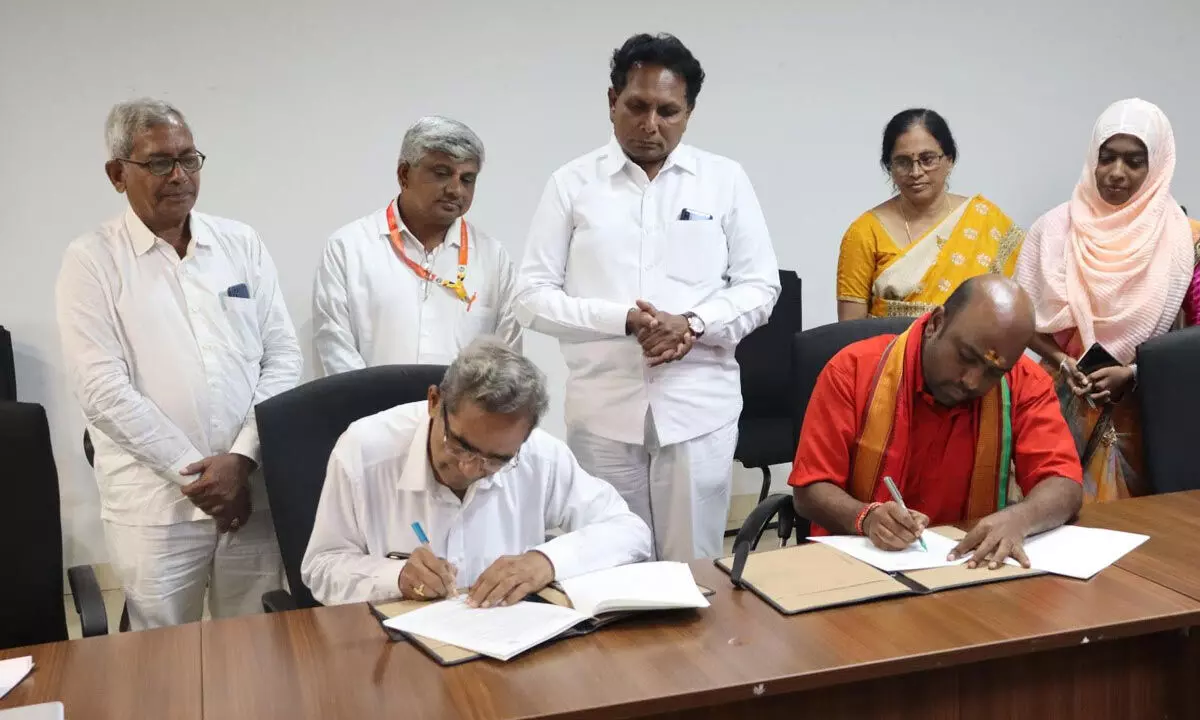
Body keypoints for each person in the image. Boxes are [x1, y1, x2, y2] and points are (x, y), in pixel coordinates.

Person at [515, 33, 780, 562]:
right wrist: (623, 321)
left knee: (696, 566)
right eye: (636, 106)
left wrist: (695, 323)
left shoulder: (724, 180)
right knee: (611, 565)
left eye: (668, 110)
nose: (650, 123)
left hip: (699, 408)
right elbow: (531, 297)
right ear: (612, 102)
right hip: (603, 414)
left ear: (689, 113)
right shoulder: (571, 184)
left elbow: (760, 286)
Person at [56, 98, 302, 629]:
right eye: (159, 163)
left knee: (255, 646)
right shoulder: (91, 260)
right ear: (117, 174)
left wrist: (241, 460)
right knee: (163, 662)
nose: (179, 176)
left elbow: (283, 356)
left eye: (189, 159)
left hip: (251, 493)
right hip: (156, 507)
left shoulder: (240, 243)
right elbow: (101, 389)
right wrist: (201, 477)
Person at [302, 338, 652, 607]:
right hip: (393, 651)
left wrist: (546, 561)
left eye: (495, 460)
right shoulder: (365, 451)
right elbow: (321, 567)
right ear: (434, 402)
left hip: (504, 647)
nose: (470, 468)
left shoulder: (538, 455)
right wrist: (395, 577)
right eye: (460, 446)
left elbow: (630, 531)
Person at [791, 276, 1083, 568]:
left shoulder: (1024, 382)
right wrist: (866, 517)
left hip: (966, 569)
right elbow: (809, 491)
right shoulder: (852, 371)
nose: (972, 381)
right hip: (856, 568)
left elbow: (1064, 484)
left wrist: (1021, 518)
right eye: (966, 356)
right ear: (936, 323)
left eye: (993, 372)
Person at [1016, 98, 1194, 502]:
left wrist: (1132, 372)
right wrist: (1065, 362)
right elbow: (1023, 319)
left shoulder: (1185, 239)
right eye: (1107, 158)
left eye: (1134, 161)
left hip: (1149, 411)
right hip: (1056, 403)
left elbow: (1193, 342)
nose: (1116, 174)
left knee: (1142, 532)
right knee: (1049, 517)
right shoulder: (1053, 229)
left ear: (1158, 165)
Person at [313, 116, 520, 375]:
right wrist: (378, 415)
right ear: (404, 175)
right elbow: (336, 349)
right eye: (442, 173)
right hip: (372, 413)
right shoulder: (348, 248)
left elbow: (505, 360)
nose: (456, 190)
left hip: (460, 416)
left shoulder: (493, 259)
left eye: (467, 179)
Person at [837, 109, 1024, 320]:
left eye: (927, 159)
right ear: (889, 167)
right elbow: (849, 333)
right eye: (903, 162)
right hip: (892, 352)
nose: (916, 172)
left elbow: (1020, 306)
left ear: (949, 160)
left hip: (972, 352)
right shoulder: (864, 232)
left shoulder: (985, 219)